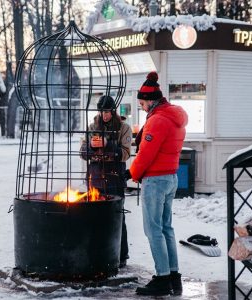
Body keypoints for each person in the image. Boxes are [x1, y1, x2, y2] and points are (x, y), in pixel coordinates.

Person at [125, 71, 188, 296]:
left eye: (142, 103)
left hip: (156, 180)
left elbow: (146, 154)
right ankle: (173, 276)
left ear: (150, 101)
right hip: (171, 177)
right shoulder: (173, 117)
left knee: (153, 230)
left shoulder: (158, 120)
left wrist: (130, 173)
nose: (141, 107)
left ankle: (162, 278)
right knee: (166, 228)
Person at [80, 95, 132, 268]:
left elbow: (125, 153)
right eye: (102, 111)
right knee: (92, 217)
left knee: (117, 218)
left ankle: (121, 255)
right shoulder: (92, 127)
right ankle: (94, 254)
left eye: (107, 111)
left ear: (113, 111)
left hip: (115, 179)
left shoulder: (124, 128)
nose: (104, 115)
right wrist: (91, 147)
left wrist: (107, 144)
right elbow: (82, 152)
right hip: (94, 179)